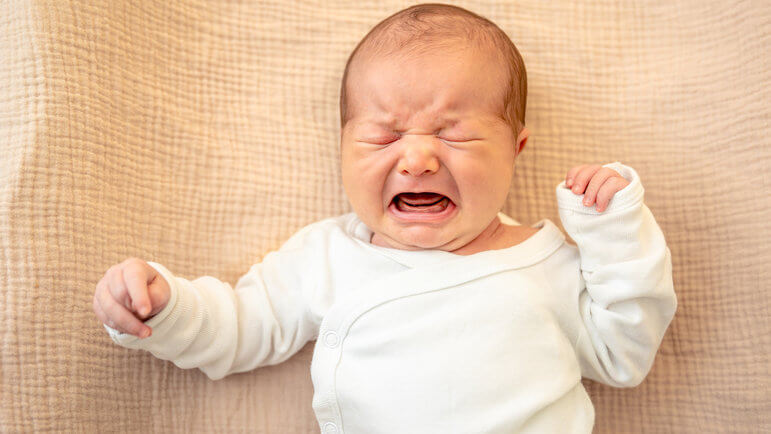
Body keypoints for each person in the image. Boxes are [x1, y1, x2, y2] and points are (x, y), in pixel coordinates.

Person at [92, 4, 677, 433]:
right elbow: (240, 326)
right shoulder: (328, 256)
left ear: (516, 150)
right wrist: (164, 306)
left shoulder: (548, 262)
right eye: (383, 136)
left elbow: (624, 354)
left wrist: (614, 234)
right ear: (342, 149)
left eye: (457, 134)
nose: (418, 158)